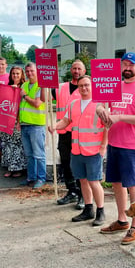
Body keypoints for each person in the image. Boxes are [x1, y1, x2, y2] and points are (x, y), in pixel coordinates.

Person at [97, 52, 135, 244]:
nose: (127, 68)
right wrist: (100, 110)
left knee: (132, 184)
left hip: (132, 145)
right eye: (124, 64)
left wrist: (120, 117)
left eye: (132, 65)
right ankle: (122, 220)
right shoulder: (114, 85)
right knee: (116, 183)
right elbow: (101, 105)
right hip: (114, 142)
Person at [50, 75, 107, 226]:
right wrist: (55, 126)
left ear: (92, 86)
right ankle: (88, 209)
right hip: (77, 150)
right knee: (82, 180)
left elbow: (107, 126)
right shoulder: (74, 104)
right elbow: (66, 121)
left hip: (93, 150)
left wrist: (103, 146)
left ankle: (101, 211)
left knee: (94, 181)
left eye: (87, 85)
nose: (84, 88)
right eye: (81, 86)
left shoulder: (100, 105)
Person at [54, 59, 85, 208]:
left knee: (78, 165)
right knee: (66, 163)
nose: (76, 71)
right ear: (70, 70)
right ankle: (71, 191)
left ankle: (83, 195)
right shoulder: (61, 87)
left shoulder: (86, 88)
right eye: (74, 68)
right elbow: (43, 98)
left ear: (84, 71)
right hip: (63, 131)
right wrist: (44, 82)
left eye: (79, 69)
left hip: (80, 133)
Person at [19, 62, 47, 189]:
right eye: (28, 71)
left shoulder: (41, 85)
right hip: (25, 124)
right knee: (29, 154)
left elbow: (37, 103)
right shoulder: (25, 84)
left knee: (39, 154)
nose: (29, 73)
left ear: (37, 71)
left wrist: (24, 95)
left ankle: (41, 178)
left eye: (32, 71)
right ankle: (31, 177)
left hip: (36, 125)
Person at [0, 66, 27, 178]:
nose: (15, 76)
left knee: (17, 145)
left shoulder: (23, 88)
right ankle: (9, 168)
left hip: (17, 120)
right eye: (13, 74)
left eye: (17, 73)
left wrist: (19, 121)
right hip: (7, 120)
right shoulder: (7, 87)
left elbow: (23, 105)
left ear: (21, 75)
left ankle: (18, 169)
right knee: (7, 144)